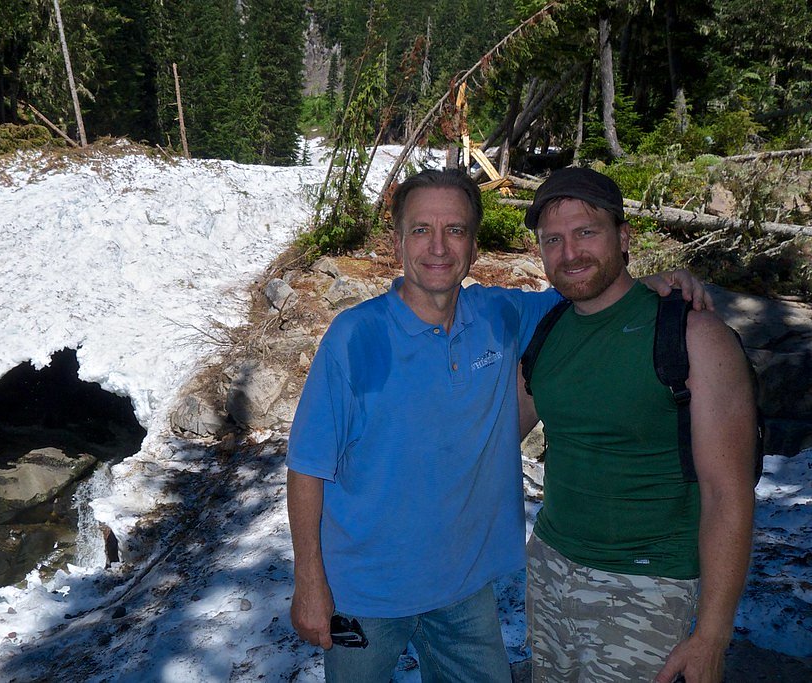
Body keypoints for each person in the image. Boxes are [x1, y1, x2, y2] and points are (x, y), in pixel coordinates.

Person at [286, 168, 710, 682]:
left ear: (473, 244)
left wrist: (649, 283)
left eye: (456, 230)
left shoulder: (501, 314)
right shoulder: (353, 336)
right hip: (366, 591)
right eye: (421, 230)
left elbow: (587, 289)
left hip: (465, 588)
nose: (438, 247)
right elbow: (307, 465)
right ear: (398, 241)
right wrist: (310, 580)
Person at [520, 167, 757, 683]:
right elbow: (495, 433)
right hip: (550, 565)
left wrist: (712, 635)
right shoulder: (551, 328)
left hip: (645, 584)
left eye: (587, 232)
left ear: (623, 238)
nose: (570, 253)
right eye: (553, 240)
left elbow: (728, 493)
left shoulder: (695, 336)